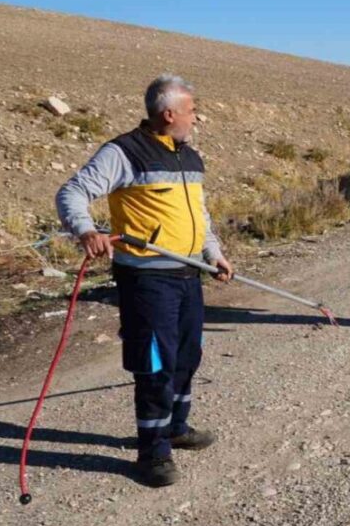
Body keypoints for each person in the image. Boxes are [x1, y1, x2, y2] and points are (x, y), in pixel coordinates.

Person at [55, 74, 233, 487]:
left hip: (190, 272)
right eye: (191, 110)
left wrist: (214, 252)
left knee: (187, 355)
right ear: (169, 114)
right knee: (155, 365)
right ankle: (152, 452)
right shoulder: (124, 152)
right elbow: (72, 193)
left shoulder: (189, 156)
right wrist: (86, 230)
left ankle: (176, 426)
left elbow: (198, 215)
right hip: (147, 280)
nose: (197, 117)